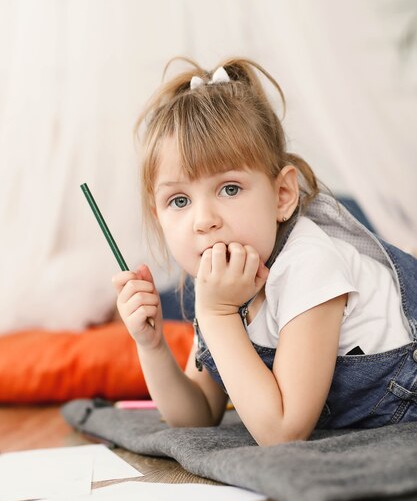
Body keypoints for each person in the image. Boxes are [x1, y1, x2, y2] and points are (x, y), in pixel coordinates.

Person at [112, 57, 417, 446]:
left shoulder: (308, 264)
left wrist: (217, 315)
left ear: (282, 195)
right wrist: (151, 347)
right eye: (179, 200)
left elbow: (284, 431)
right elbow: (199, 414)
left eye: (230, 189)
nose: (203, 220)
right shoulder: (216, 282)